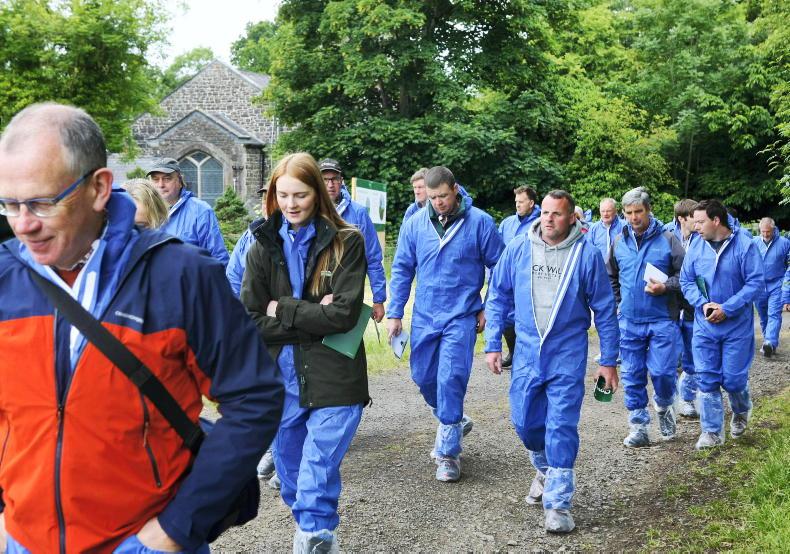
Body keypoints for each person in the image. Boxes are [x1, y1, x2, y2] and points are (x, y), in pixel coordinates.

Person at [0, 103, 283, 553]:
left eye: (42, 202)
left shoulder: (182, 275)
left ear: (98, 188)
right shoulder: (5, 277)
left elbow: (255, 397)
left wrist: (177, 527)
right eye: (9, 204)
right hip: (23, 541)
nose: (24, 224)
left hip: (140, 541)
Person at [241, 152, 369, 553]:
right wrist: (316, 315)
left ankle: (313, 537)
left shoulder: (348, 241)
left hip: (336, 376)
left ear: (318, 193)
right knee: (291, 472)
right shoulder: (260, 244)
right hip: (283, 379)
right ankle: (317, 533)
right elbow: (251, 317)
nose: (291, 204)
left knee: (316, 469)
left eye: (300, 194)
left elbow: (345, 315)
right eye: (283, 195)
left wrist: (285, 308)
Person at [485, 190, 619, 533]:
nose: (548, 219)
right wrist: (492, 344)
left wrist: (608, 361)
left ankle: (558, 504)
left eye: (556, 214)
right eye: (545, 212)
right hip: (528, 353)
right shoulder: (518, 248)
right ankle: (544, 469)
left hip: (567, 355)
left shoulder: (586, 256)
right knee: (526, 424)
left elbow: (604, 310)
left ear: (571, 217)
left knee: (560, 426)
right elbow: (497, 295)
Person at [387, 166, 503, 482]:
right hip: (425, 315)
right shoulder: (414, 225)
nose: (437, 202)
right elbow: (401, 270)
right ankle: (453, 418)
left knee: (450, 376)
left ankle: (448, 454)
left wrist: (488, 307)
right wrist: (395, 313)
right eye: (432, 196)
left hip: (461, 316)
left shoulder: (479, 223)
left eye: (442, 196)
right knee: (423, 376)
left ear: (454, 190)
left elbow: (500, 267)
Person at [681, 200, 764, 448]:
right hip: (704, 324)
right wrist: (703, 304)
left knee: (734, 380)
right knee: (706, 378)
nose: (695, 227)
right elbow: (686, 281)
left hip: (736, 326)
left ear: (716, 220)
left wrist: (727, 309)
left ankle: (741, 410)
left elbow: (755, 283)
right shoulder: (696, 245)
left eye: (700, 221)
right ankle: (712, 432)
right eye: (694, 222)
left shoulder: (745, 246)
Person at [607, 188, 685, 447]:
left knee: (663, 372)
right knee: (632, 374)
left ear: (648, 210)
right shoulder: (619, 241)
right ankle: (638, 425)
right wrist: (620, 303)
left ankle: (664, 408)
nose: (633, 217)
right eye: (628, 213)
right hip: (629, 321)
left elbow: (687, 277)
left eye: (638, 212)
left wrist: (666, 287)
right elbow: (612, 276)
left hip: (662, 318)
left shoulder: (668, 239)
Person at [319, 158, 386, 323]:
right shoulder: (308, 211)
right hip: (316, 290)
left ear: (341, 181)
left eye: (334, 179)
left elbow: (373, 257)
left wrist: (379, 299)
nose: (330, 184)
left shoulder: (358, 214)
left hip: (349, 290)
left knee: (346, 345)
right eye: (325, 180)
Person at [147, 157, 229, 265]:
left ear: (180, 182)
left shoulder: (200, 211)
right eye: (155, 179)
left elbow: (217, 257)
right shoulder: (142, 211)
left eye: (167, 179)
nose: (161, 185)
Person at [663, 199, 701, 418]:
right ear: (681, 218)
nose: (698, 222)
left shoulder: (702, 237)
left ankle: (686, 398)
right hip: (668, 300)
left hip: (690, 304)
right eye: (693, 217)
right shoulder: (666, 234)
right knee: (667, 353)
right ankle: (666, 398)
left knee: (690, 351)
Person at [497, 185, 541, 369]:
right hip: (509, 279)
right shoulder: (507, 223)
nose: (517, 205)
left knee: (529, 320)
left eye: (521, 202)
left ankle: (532, 356)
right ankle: (514, 352)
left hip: (533, 280)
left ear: (531, 203)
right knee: (507, 317)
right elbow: (498, 251)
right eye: (516, 202)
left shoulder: (542, 222)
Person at [753, 217, 790, 357]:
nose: (766, 235)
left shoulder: (784, 243)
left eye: (768, 232)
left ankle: (769, 341)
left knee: (774, 313)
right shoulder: (754, 243)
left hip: (777, 284)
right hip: (759, 285)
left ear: (773, 230)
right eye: (763, 232)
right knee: (763, 317)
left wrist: (786, 290)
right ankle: (768, 343)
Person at [587, 198, 623, 267]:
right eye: (602, 211)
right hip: (600, 270)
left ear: (615, 211)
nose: (605, 214)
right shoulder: (593, 229)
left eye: (608, 211)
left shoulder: (625, 226)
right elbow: (589, 251)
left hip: (619, 270)